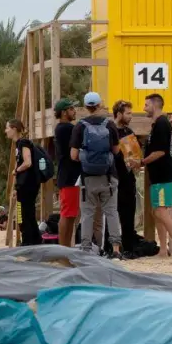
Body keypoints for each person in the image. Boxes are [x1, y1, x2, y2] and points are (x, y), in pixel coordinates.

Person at [71, 92, 122, 257]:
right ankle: (115, 249)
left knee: (87, 213)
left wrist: (87, 159)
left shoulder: (80, 126)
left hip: (88, 178)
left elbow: (73, 155)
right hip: (108, 176)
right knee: (112, 212)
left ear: (86, 107)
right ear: (100, 105)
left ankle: (86, 249)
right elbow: (116, 150)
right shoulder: (110, 125)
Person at [141, 94, 172, 259]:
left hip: (163, 175)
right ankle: (162, 249)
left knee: (161, 211)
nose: (144, 108)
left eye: (146, 105)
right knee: (157, 212)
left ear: (155, 105)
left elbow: (160, 151)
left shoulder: (161, 123)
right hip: (157, 175)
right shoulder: (157, 124)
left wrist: (141, 162)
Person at [112, 101, 143, 253]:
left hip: (129, 178)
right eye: (128, 113)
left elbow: (137, 154)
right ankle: (113, 247)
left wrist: (137, 162)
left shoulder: (129, 131)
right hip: (114, 178)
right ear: (119, 114)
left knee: (128, 213)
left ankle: (129, 247)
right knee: (112, 213)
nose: (131, 116)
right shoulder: (110, 130)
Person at [6, 119, 41, 246]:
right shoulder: (18, 144)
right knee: (26, 213)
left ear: (14, 129)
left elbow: (28, 162)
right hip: (23, 185)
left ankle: (28, 241)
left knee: (24, 214)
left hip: (28, 185)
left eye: (7, 128)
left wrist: (16, 170)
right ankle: (34, 240)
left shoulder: (23, 143)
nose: (6, 131)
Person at [52, 98, 81, 247]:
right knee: (66, 214)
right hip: (69, 176)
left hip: (70, 176)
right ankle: (63, 250)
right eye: (71, 109)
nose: (74, 111)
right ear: (64, 113)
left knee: (71, 215)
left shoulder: (63, 128)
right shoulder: (66, 128)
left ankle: (67, 249)